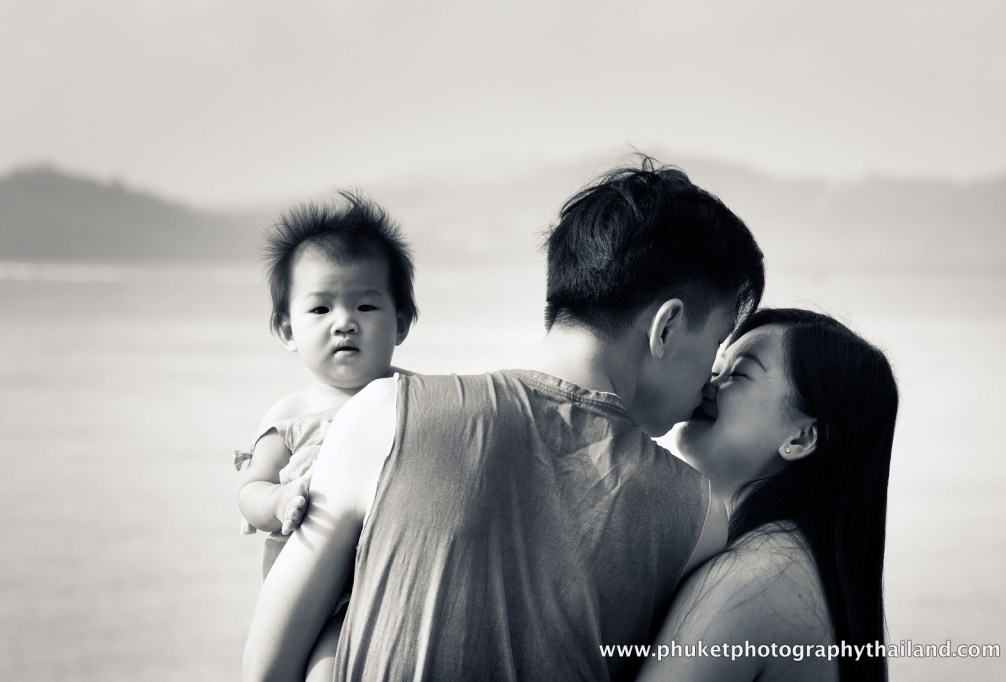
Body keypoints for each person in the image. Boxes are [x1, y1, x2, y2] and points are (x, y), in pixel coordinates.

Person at [242, 156, 766, 681]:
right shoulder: (698, 521)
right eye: (716, 343)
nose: (711, 375)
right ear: (666, 327)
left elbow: (268, 668)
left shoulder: (386, 416)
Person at [638, 308, 898, 682]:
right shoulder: (793, 566)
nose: (706, 386)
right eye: (717, 369)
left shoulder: (753, 579)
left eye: (740, 374)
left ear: (802, 438)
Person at [235, 190, 417, 681]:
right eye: (320, 310)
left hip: (395, 577)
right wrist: (279, 500)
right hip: (314, 591)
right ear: (287, 329)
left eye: (365, 305)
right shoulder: (292, 416)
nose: (344, 323)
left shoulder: (415, 398)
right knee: (325, 671)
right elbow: (250, 490)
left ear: (400, 322)